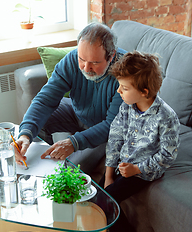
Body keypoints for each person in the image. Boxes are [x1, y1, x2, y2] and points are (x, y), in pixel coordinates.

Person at [14, 22, 126, 173]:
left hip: (107, 131)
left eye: (94, 62)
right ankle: (38, 169)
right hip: (77, 113)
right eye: (82, 59)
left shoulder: (126, 71)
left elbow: (112, 125)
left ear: (111, 55)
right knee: (35, 121)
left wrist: (74, 142)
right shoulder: (71, 59)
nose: (86, 68)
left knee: (72, 169)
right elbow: (45, 99)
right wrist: (25, 134)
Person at [100, 51, 180, 232]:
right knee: (96, 192)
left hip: (144, 172)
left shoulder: (167, 117)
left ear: (144, 91)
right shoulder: (126, 106)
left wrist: (137, 169)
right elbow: (115, 137)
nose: (119, 91)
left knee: (105, 201)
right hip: (123, 164)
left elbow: (168, 156)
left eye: (124, 88)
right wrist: (109, 174)